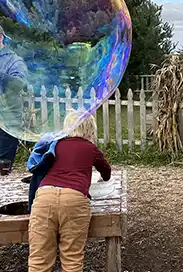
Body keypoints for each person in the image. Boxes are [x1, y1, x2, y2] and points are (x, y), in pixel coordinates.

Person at [28, 111, 111, 272]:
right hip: (74, 199)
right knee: (72, 258)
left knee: (39, 258)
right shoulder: (90, 148)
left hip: (44, 197)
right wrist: (104, 178)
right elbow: (106, 170)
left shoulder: (56, 144)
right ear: (90, 130)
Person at [0, 25, 28, 170]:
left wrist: (1, 76)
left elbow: (20, 84)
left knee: (3, 170)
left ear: (0, 37)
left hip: (8, 123)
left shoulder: (14, 61)